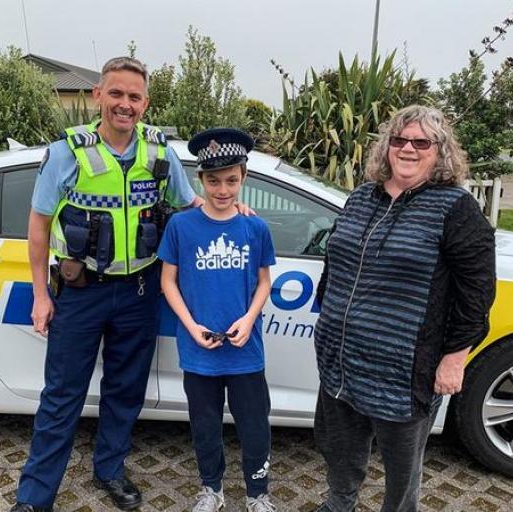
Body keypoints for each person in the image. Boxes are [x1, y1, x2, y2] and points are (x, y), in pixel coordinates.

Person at [11, 56, 201, 512]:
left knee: (125, 391)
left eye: (134, 97)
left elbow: (191, 204)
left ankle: (110, 470)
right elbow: (38, 228)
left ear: (145, 103)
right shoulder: (66, 153)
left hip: (139, 292)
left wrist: (233, 212)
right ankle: (34, 499)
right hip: (80, 293)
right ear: (98, 95)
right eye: (115, 93)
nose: (124, 104)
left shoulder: (160, 154)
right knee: (62, 397)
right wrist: (40, 294)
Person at [313, 104, 496, 512]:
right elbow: (336, 259)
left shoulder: (455, 208)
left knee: (401, 470)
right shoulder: (362, 197)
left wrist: (455, 357)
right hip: (341, 361)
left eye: (420, 142)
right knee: (339, 452)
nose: (408, 149)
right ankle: (338, 505)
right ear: (386, 147)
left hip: (405, 370)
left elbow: (477, 292)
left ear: (440, 151)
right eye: (399, 140)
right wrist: (329, 313)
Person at [158, 128, 277, 512]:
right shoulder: (181, 226)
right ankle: (211, 489)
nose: (222, 190)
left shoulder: (255, 227)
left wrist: (248, 318)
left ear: (244, 177)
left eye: (231, 180)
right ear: (201, 179)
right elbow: (168, 281)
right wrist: (192, 328)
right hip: (199, 351)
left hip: (245, 351)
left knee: (255, 427)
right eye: (213, 180)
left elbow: (264, 282)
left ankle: (258, 493)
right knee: (205, 426)